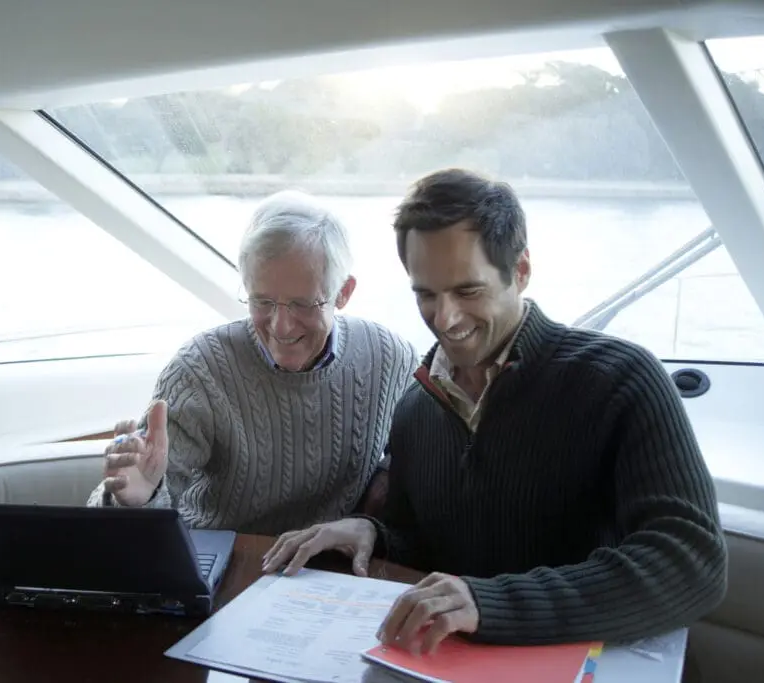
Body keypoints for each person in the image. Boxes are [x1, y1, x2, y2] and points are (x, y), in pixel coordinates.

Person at [262, 168, 728, 651]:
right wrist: (371, 533)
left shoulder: (620, 381)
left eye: (467, 291)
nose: (444, 319)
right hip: (450, 664)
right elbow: (423, 543)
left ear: (521, 270)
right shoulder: (415, 410)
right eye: (425, 294)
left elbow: (692, 562)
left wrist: (488, 603)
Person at [86, 190, 417, 536]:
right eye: (263, 302)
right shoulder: (200, 370)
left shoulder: (390, 357)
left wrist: (386, 476)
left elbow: (428, 463)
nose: (281, 326)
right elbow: (120, 526)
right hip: (221, 566)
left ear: (343, 293)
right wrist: (135, 501)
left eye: (303, 304)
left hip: (332, 569)